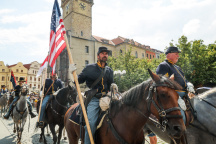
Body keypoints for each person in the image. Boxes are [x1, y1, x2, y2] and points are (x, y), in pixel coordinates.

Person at [78, 47, 114, 144]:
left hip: (107, 98)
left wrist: (113, 87)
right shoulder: (89, 68)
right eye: (102, 53)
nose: (105, 55)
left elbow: (111, 84)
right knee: (91, 123)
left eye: (106, 53)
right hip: (94, 99)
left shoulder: (109, 70)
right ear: (98, 56)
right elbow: (79, 80)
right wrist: (74, 73)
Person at [156, 46, 195, 124]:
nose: (178, 56)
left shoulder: (177, 67)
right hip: (174, 96)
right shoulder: (163, 65)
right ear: (169, 54)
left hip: (185, 94)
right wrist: (176, 96)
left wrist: (189, 84)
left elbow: (184, 79)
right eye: (176, 54)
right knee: (181, 118)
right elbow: (162, 84)